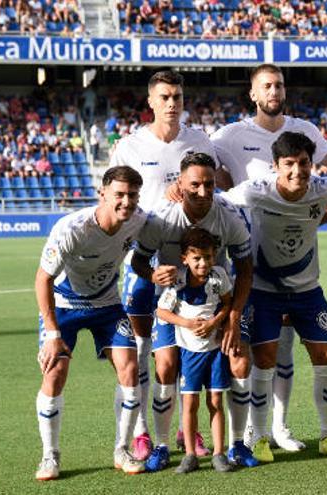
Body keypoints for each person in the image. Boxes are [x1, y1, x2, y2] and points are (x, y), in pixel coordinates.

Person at [212, 64, 327, 454]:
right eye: (266, 85)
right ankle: (257, 434)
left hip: (302, 271)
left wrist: (313, 212)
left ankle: (283, 428)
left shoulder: (306, 131)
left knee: (288, 353)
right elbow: (207, 172)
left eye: (279, 84)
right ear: (253, 93)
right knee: (265, 356)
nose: (274, 90)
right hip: (256, 268)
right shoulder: (231, 135)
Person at [110, 69, 221, 460]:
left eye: (177, 95)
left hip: (188, 266)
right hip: (144, 259)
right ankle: (141, 431)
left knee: (194, 344)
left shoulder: (199, 139)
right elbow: (118, 198)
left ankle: (187, 432)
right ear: (151, 102)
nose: (172, 103)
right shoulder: (130, 146)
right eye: (165, 96)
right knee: (142, 349)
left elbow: (212, 186)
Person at [130, 152, 258, 471]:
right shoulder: (160, 218)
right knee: (165, 366)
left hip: (220, 301)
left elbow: (244, 270)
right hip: (175, 305)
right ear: (180, 185)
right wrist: (151, 274)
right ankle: (161, 445)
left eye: (210, 184)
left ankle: (237, 445)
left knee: (240, 360)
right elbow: (138, 261)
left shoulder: (230, 216)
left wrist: (233, 317)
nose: (203, 192)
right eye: (195, 185)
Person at [33, 166, 147, 481]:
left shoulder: (139, 220)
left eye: (132, 195)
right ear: (103, 194)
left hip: (107, 305)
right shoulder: (72, 229)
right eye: (119, 195)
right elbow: (42, 279)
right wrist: (53, 334)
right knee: (54, 373)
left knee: (130, 368)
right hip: (65, 305)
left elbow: (152, 244)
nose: (126, 202)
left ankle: (121, 450)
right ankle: (49, 456)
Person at [155, 228, 236, 474]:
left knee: (215, 402)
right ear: (185, 259)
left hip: (214, 351)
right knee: (189, 403)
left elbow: (228, 302)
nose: (203, 263)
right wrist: (188, 324)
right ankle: (189, 455)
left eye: (208, 257)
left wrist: (214, 322)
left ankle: (219, 453)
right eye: (197, 258)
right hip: (189, 352)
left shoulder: (218, 275)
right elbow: (162, 312)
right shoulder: (177, 281)